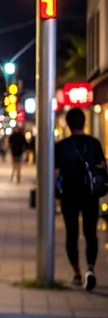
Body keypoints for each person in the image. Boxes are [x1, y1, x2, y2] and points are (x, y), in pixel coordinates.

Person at [55, 108, 106, 290]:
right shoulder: (94, 143)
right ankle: (90, 269)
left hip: (69, 195)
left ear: (67, 125)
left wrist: (53, 195)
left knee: (72, 234)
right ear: (84, 122)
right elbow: (102, 166)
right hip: (90, 194)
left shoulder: (61, 146)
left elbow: (56, 172)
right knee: (90, 233)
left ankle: (76, 273)